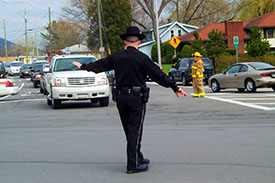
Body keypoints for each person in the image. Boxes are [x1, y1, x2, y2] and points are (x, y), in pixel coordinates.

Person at [72, 26, 188, 174]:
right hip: (136, 98)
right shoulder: (142, 58)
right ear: (139, 42)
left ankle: (138, 157)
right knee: (135, 130)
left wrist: (83, 66)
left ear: (125, 42)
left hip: (121, 98)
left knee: (129, 130)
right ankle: (132, 165)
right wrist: (174, 87)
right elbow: (157, 75)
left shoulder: (116, 57)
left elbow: (99, 66)